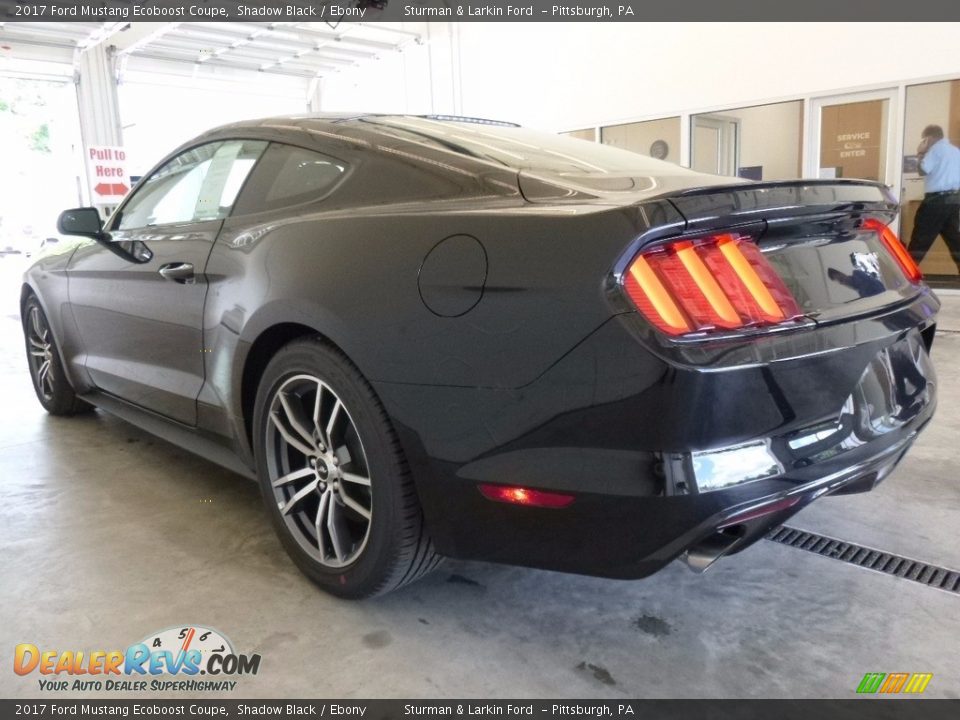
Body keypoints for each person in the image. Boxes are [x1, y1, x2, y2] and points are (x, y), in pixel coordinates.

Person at [909, 124, 960, 273]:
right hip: (954, 200)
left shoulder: (936, 149)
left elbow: (922, 170)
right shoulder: (956, 151)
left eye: (924, 139)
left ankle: (905, 275)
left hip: (936, 201)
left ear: (929, 137)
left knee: (920, 239)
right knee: (955, 241)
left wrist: (920, 154)